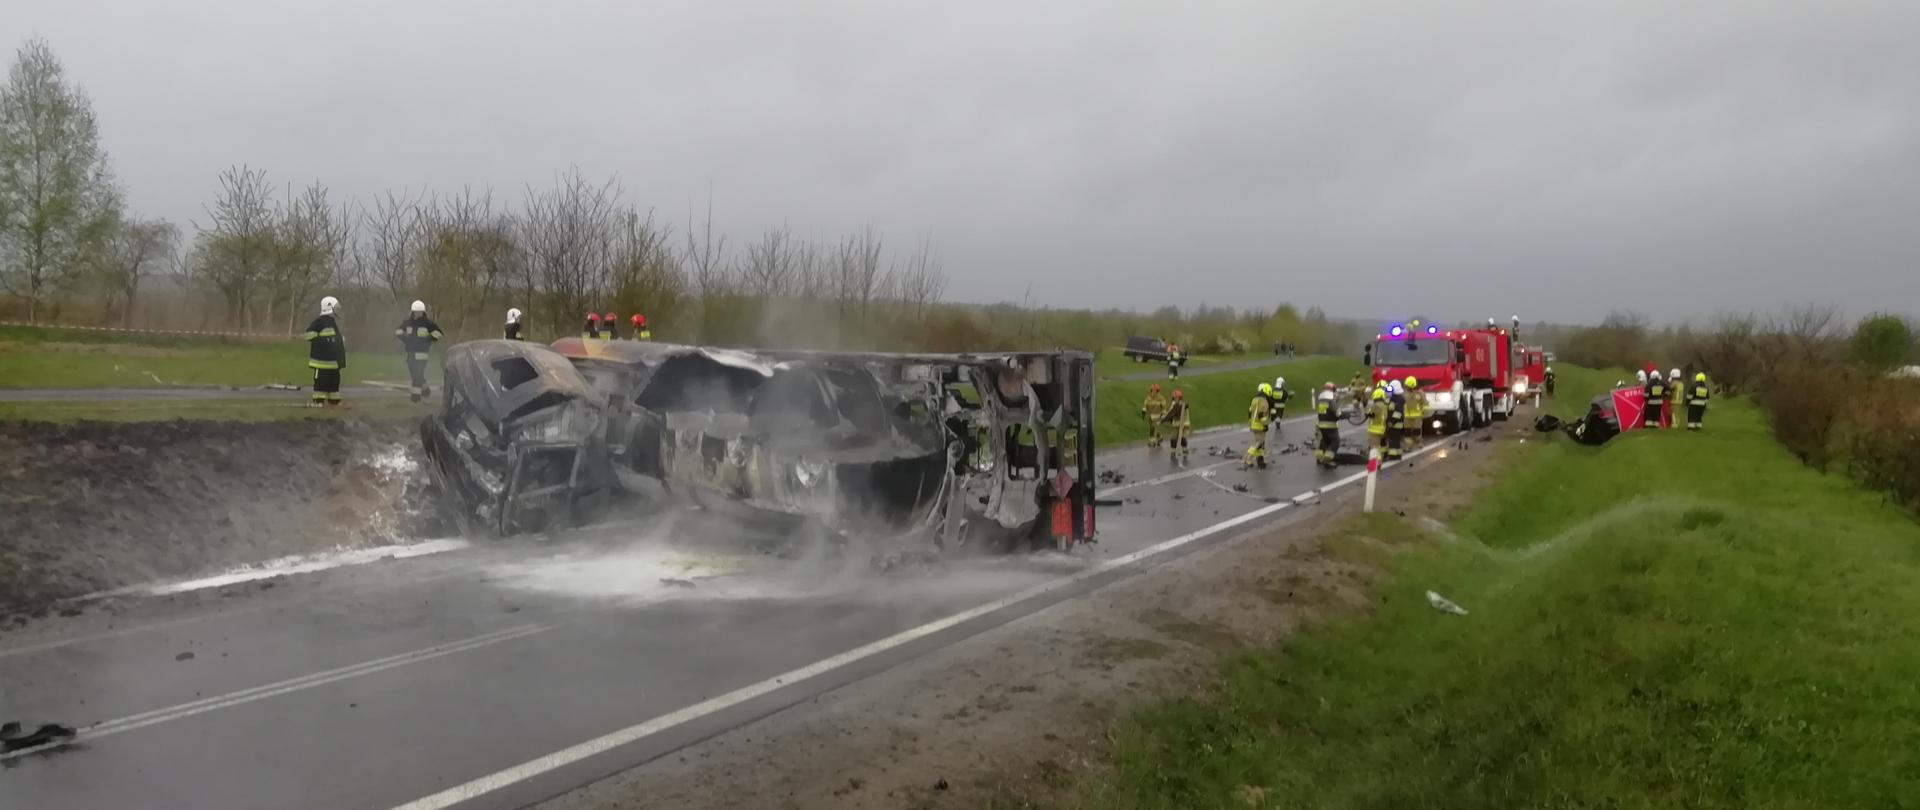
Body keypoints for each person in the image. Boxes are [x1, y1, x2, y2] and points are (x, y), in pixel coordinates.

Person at [394, 300, 444, 403]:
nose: (418, 314)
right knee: (417, 376)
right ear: (412, 312)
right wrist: (404, 337)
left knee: (417, 377)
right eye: (416, 312)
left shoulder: (428, 323)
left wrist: (429, 338)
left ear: (423, 312)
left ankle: (415, 399)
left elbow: (439, 333)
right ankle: (426, 391)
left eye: (420, 312)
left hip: (422, 355)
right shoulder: (407, 323)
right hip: (410, 354)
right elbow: (398, 331)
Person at [302, 295, 347, 408]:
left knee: (334, 384)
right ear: (329, 307)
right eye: (336, 307)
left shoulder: (332, 322)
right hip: (322, 363)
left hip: (333, 364)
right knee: (321, 384)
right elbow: (308, 335)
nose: (338, 310)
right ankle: (318, 402)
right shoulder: (319, 322)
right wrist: (326, 340)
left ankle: (334, 402)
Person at [1159, 389, 1192, 466]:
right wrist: (1164, 417)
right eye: (1174, 398)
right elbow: (1170, 413)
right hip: (1175, 425)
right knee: (1173, 439)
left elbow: (1175, 411)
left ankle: (1185, 453)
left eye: (1176, 398)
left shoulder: (1181, 405)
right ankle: (1173, 453)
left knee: (1182, 439)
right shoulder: (1174, 404)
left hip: (1184, 425)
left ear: (1179, 398)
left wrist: (1164, 419)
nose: (1174, 399)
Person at [1245, 383, 1272, 469]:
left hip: (1253, 423)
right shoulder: (1263, 401)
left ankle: (1260, 460)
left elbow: (1250, 412)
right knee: (1259, 442)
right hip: (1259, 425)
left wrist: (1250, 422)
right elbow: (1262, 415)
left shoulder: (1254, 400)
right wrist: (1265, 424)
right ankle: (1248, 457)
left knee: (1260, 443)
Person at [1314, 382, 1340, 468]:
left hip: (1319, 424)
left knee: (1322, 442)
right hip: (1328, 425)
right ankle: (1327, 461)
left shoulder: (1321, 398)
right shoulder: (1330, 398)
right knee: (1334, 441)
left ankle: (1319, 459)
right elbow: (1335, 412)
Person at [1141, 383, 1169, 448]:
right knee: (1152, 428)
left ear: (1157, 391)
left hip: (1158, 415)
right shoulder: (1148, 398)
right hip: (1151, 415)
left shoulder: (1161, 398)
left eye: (1153, 390)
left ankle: (1152, 442)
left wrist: (1163, 414)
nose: (1152, 391)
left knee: (1153, 428)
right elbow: (1145, 405)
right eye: (1151, 390)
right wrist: (1143, 412)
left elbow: (1164, 407)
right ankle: (1159, 437)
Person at [1384, 380, 1406, 460]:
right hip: (1394, 424)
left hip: (1396, 424)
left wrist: (1391, 422)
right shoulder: (1393, 398)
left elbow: (1398, 413)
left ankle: (1393, 456)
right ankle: (1397, 455)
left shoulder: (1399, 399)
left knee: (1394, 441)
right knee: (1395, 441)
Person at [1403, 376, 1425, 449]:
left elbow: (1424, 404)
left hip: (1417, 416)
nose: (1406, 387)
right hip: (1407, 416)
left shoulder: (1420, 393)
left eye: (1407, 386)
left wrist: (1423, 412)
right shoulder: (1405, 393)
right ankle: (1408, 447)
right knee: (1407, 433)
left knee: (1417, 432)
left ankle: (1420, 442)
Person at [1365, 386, 1388, 456]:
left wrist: (1367, 412)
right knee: (1382, 444)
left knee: (1374, 449)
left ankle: (1375, 463)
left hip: (1374, 430)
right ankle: (1383, 455)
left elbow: (1370, 414)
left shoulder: (1376, 405)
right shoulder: (1384, 405)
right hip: (1383, 428)